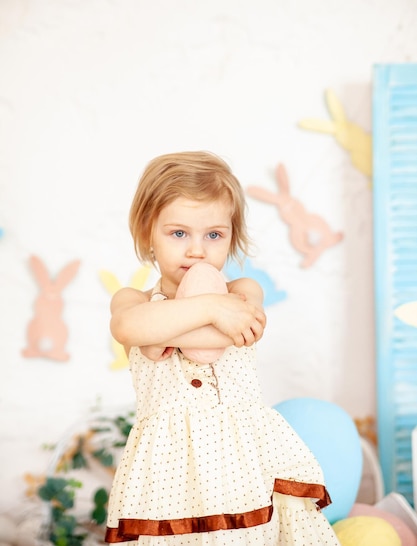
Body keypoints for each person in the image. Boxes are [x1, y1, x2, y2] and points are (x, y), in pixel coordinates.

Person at [105, 151, 340, 545]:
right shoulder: (132, 300)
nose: (197, 250)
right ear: (148, 232)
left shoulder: (244, 292)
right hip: (167, 470)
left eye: (214, 235)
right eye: (179, 233)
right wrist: (212, 307)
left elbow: (231, 335)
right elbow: (128, 328)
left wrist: (161, 331)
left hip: (241, 462)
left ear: (231, 236)